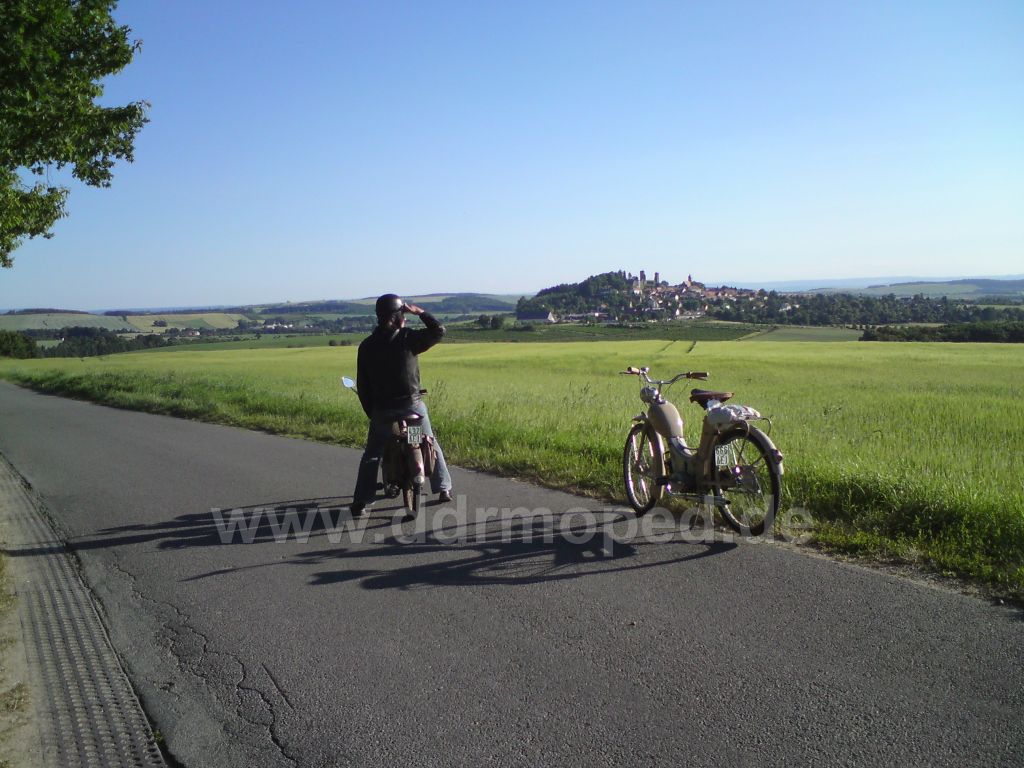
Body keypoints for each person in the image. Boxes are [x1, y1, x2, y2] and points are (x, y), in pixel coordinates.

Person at [350, 293, 453, 516]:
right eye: (402, 314)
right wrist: (419, 312)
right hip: (412, 409)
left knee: (373, 454)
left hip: (383, 412)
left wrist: (372, 413)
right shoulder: (408, 338)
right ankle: (443, 488)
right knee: (427, 441)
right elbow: (439, 331)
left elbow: (363, 386)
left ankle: (361, 500)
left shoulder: (367, 346)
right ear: (398, 316)